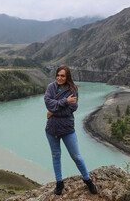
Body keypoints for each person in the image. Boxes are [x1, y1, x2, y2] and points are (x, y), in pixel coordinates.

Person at [44, 65, 97, 195]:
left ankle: (87, 180)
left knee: (76, 156)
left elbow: (72, 109)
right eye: (58, 75)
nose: (60, 78)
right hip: (52, 129)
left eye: (62, 76)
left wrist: (53, 112)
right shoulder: (51, 87)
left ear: (67, 77)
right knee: (56, 155)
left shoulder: (72, 89)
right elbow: (48, 103)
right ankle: (59, 183)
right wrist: (64, 101)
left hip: (67, 129)